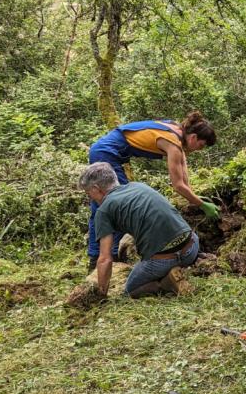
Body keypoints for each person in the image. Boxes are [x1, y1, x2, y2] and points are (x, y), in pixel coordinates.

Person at [86, 111, 218, 271]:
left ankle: (104, 255)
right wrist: (202, 205)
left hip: (110, 152)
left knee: (112, 205)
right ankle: (103, 258)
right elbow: (177, 185)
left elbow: (182, 168)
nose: (199, 149)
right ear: (193, 138)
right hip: (106, 153)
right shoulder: (173, 144)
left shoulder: (176, 129)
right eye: (201, 146)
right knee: (113, 205)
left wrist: (194, 196)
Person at [79, 162, 199, 298]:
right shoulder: (138, 186)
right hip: (192, 247)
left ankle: (165, 284)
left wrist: (101, 295)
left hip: (163, 261)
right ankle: (186, 265)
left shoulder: (104, 210)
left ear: (96, 189)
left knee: (129, 292)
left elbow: (105, 259)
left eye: (88, 193)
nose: (90, 198)